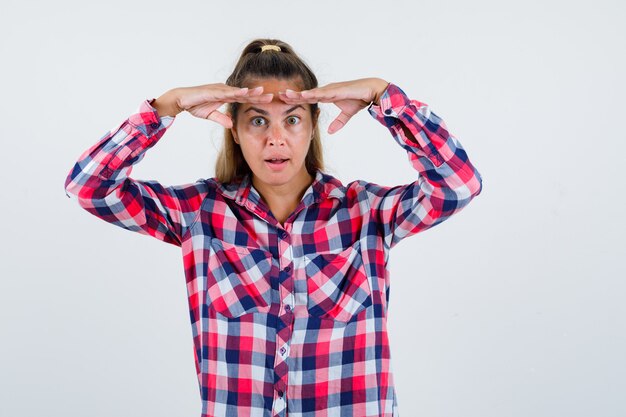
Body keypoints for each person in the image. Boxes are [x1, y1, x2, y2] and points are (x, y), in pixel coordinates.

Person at [64, 38, 483, 417]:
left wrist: (385, 98)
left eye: (293, 120)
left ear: (313, 124)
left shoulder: (366, 212)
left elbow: (458, 185)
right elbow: (88, 187)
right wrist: (164, 108)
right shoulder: (199, 213)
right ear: (235, 129)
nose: (276, 139)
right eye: (258, 120)